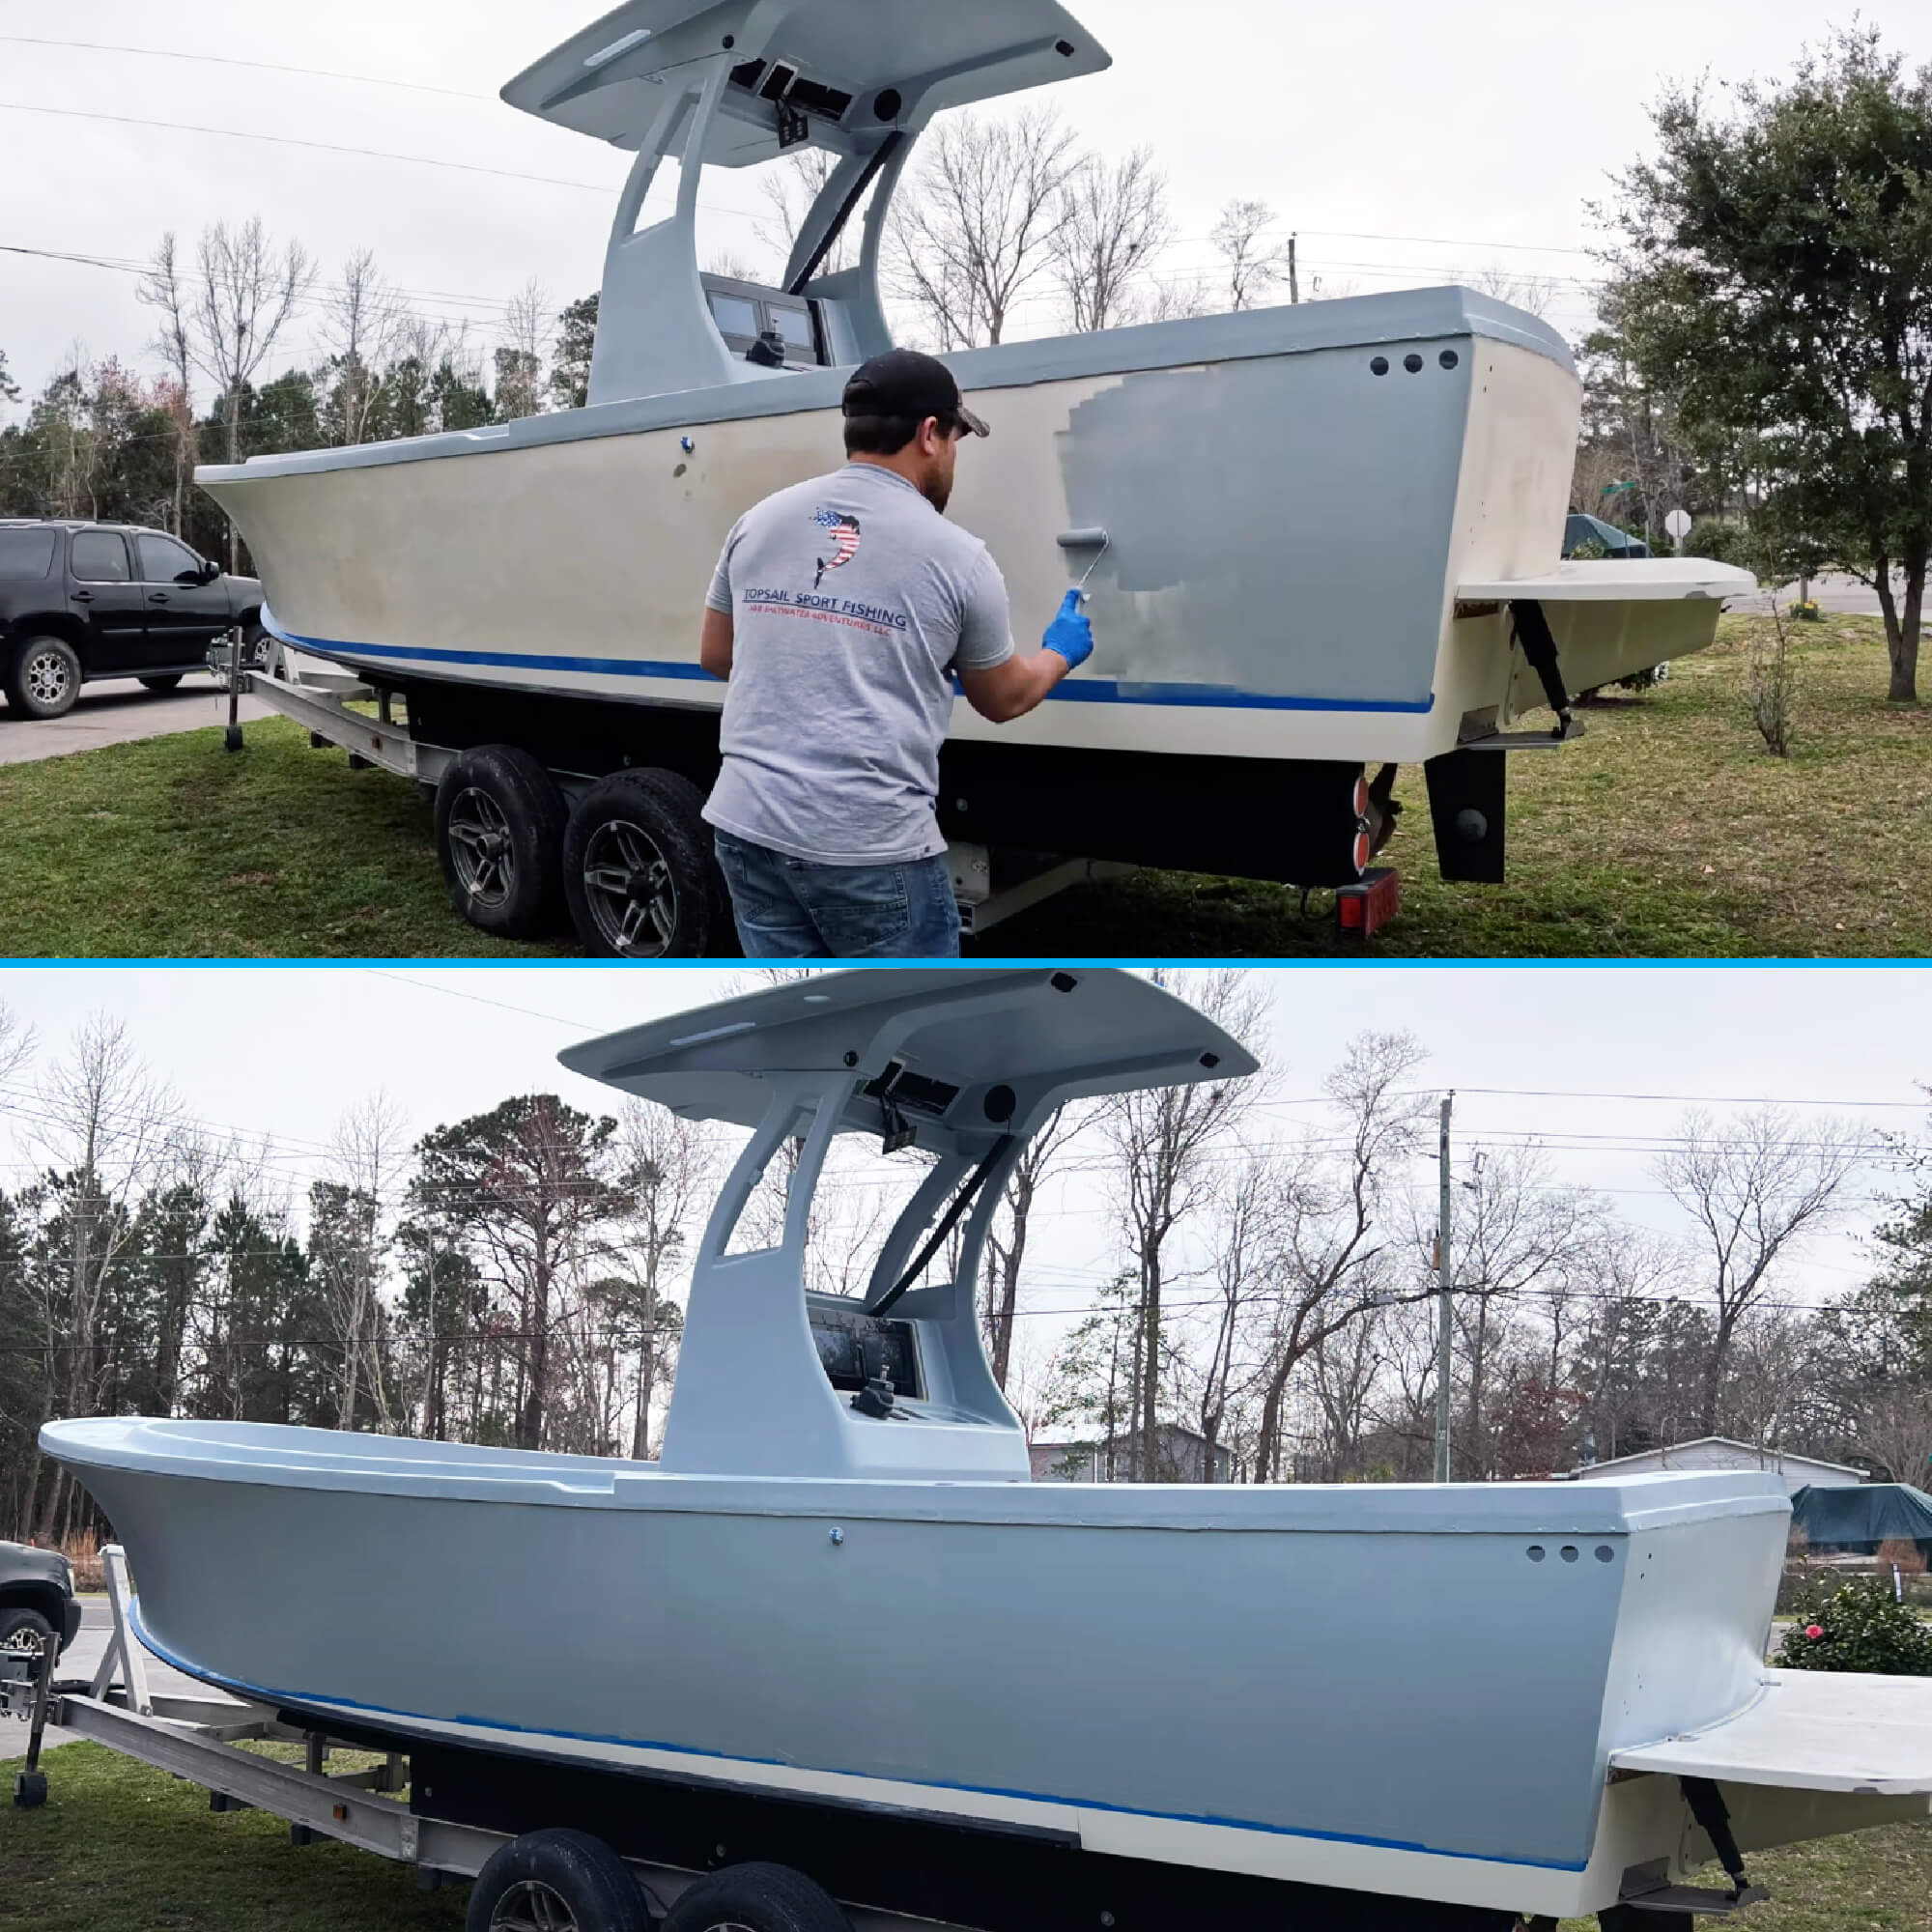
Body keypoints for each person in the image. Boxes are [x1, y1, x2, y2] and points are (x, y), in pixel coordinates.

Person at [698, 348, 1095, 958]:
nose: (955, 457)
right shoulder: (957, 556)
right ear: (931, 434)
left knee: (810, 1013)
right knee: (907, 1008)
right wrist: (1059, 652)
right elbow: (1003, 698)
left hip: (747, 825)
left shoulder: (759, 521)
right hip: (869, 846)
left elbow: (719, 654)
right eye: (958, 438)